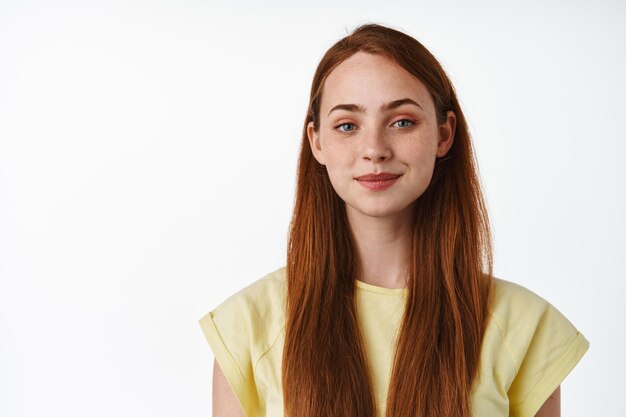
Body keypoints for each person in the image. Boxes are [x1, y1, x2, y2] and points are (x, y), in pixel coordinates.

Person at [199, 23, 589, 417]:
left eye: (402, 121)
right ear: (317, 142)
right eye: (347, 125)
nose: (374, 149)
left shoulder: (524, 327)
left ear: (444, 133)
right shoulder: (247, 326)